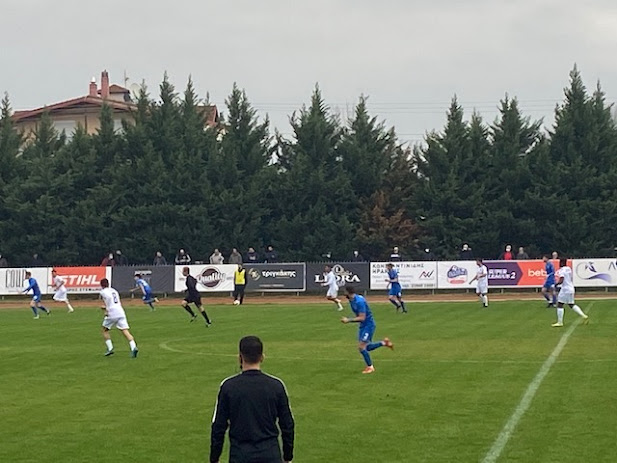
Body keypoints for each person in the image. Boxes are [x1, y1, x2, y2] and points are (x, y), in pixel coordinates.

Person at [210, 336, 295, 463]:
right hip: (270, 454)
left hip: (241, 455)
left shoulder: (228, 387)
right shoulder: (276, 386)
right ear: (262, 357)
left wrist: (214, 457)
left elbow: (219, 426)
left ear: (240, 357)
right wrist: (288, 456)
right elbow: (287, 424)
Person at [341, 285, 394, 374]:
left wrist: (348, 320)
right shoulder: (352, 300)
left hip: (368, 325)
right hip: (363, 325)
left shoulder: (359, 301)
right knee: (367, 347)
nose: (343, 293)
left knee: (361, 347)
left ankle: (370, 367)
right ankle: (384, 343)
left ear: (348, 292)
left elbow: (362, 317)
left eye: (344, 291)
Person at [99, 278, 138, 358]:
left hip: (112, 313)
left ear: (101, 285)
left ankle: (110, 348)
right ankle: (133, 347)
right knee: (125, 331)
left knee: (105, 330)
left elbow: (107, 301)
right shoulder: (114, 290)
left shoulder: (103, 292)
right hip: (120, 311)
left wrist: (105, 310)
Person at [552, 258, 589, 327]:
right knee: (571, 304)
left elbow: (561, 279)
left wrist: (556, 284)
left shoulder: (562, 270)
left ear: (561, 263)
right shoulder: (568, 269)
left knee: (560, 304)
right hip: (571, 288)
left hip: (565, 289)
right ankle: (583, 315)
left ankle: (560, 322)